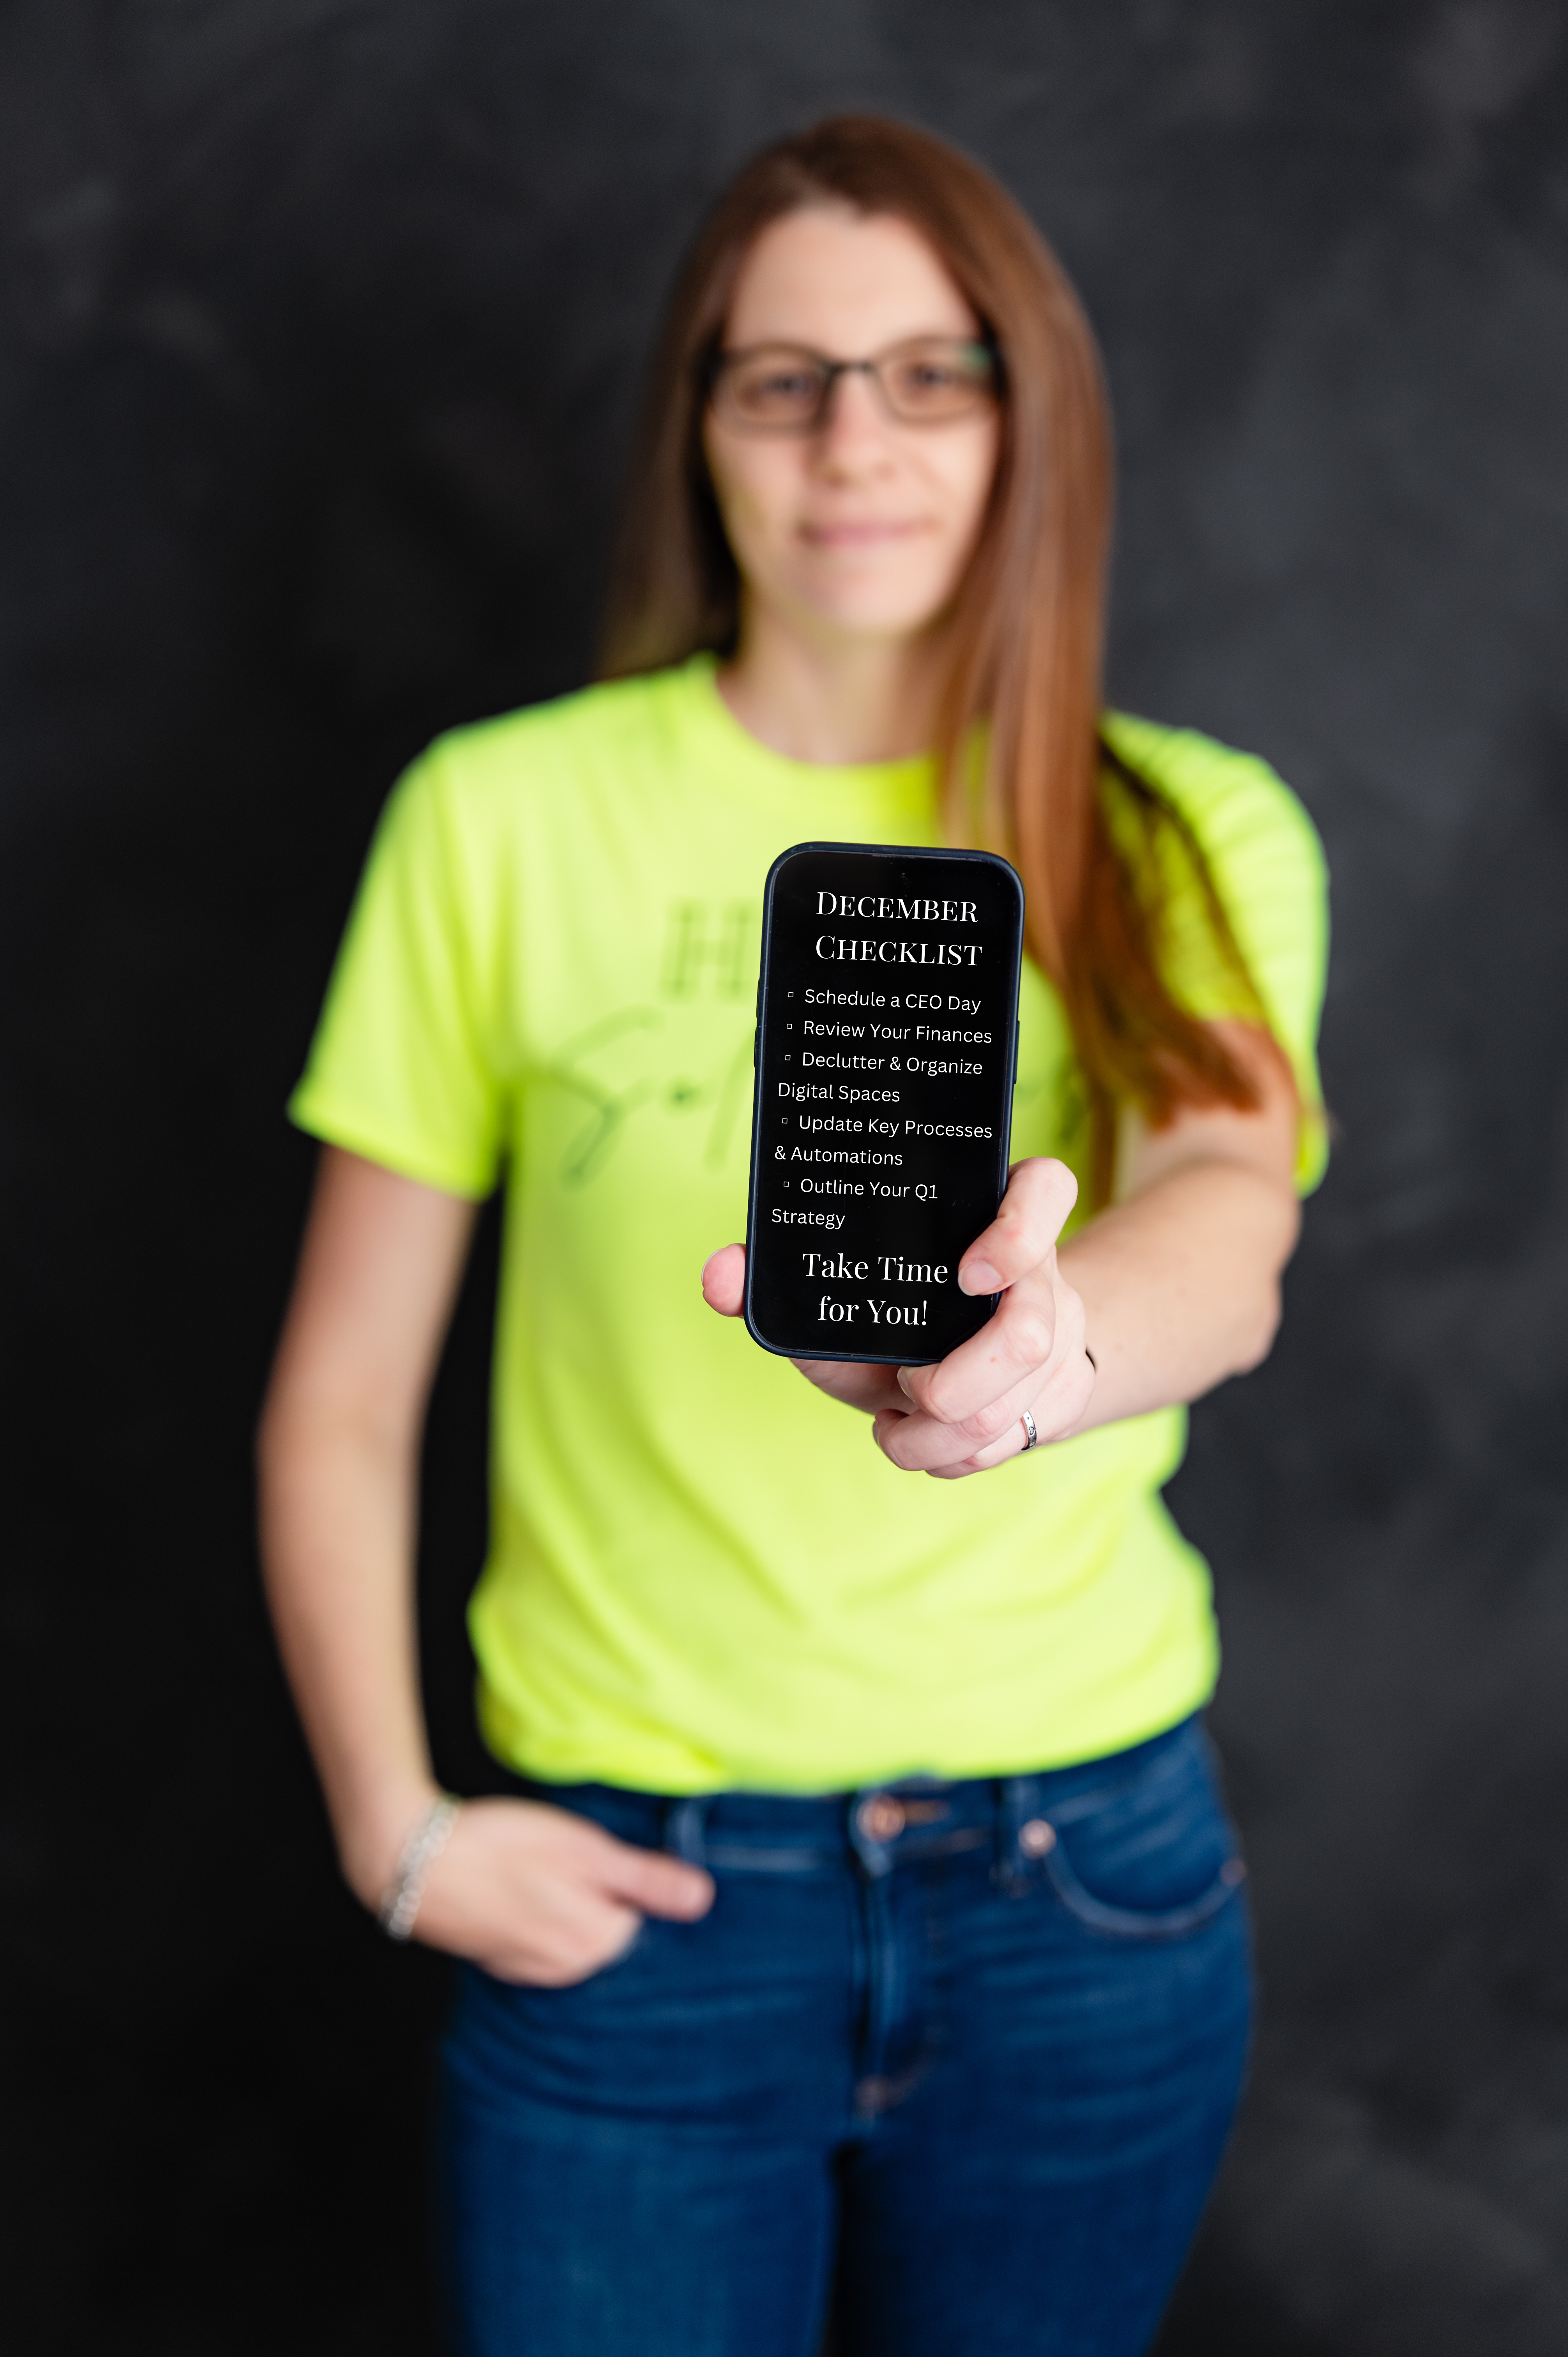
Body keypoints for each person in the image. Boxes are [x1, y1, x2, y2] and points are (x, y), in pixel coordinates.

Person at [258, 114, 1327, 2357]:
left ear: (1028, 419)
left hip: (1082, 1888)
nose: (860, 438)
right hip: (640, 1893)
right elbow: (347, 1395)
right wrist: (398, 1830)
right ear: (705, 431)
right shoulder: (499, 816)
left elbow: (1226, 1223)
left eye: (935, 373)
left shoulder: (1183, 827)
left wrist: (1042, 1354)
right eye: (787, 378)